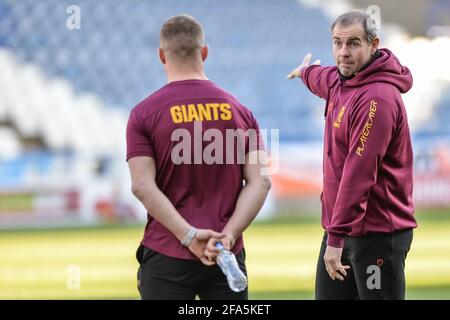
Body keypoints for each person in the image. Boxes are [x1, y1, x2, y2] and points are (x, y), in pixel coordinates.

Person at [126, 14, 271, 300]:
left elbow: (142, 186)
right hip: (225, 253)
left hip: (166, 251)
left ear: (161, 56)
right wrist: (228, 236)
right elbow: (261, 182)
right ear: (204, 52)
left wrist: (189, 236)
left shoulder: (143, 114)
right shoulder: (242, 112)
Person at [287, 10, 417, 299]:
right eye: (337, 43)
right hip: (342, 230)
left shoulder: (377, 98)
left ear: (373, 45)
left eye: (354, 43)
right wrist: (305, 73)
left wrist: (335, 237)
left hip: (377, 235)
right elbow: (321, 78)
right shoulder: (339, 80)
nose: (343, 53)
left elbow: (358, 175)